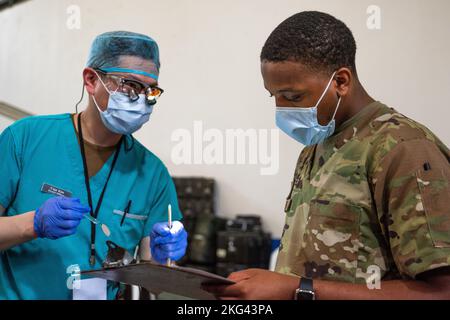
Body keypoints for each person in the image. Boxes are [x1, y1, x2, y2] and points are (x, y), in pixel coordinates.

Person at [204, 11, 450, 300]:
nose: (282, 110)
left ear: (341, 82)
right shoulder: (317, 145)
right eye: (274, 96)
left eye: (293, 97)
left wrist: (297, 290)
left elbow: (440, 292)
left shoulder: (403, 149)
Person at [0, 31, 187, 299]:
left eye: (150, 90)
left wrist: (163, 259)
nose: (142, 100)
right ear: (91, 80)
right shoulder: (25, 139)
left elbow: (155, 284)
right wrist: (33, 224)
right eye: (130, 85)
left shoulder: (152, 173)